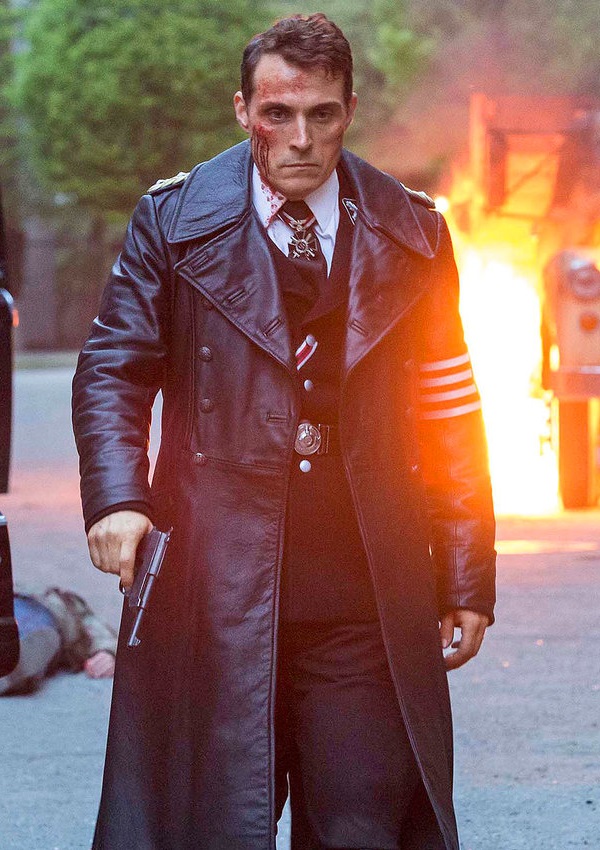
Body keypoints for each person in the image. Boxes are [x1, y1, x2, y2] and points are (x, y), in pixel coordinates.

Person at [72, 13, 496, 850]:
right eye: (278, 114)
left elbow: (449, 405)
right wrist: (118, 497)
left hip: (365, 595)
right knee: (210, 831)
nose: (301, 139)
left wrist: (464, 571)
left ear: (349, 111)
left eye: (322, 114)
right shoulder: (174, 219)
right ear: (243, 111)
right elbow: (114, 367)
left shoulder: (415, 230)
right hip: (213, 590)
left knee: (362, 829)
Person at [0, 585, 116, 694]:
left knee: (32, 637)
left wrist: (108, 651)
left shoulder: (60, 615)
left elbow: (96, 627)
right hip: (28, 612)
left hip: (43, 618)